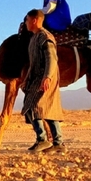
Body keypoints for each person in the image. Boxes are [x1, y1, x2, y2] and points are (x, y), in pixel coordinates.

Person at [21, 9, 65, 153]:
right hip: (36, 78)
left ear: (34, 20)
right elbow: (33, 63)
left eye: (27, 20)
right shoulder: (34, 38)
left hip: (45, 77)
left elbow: (51, 58)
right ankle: (58, 143)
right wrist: (26, 80)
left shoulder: (45, 37)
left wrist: (47, 77)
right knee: (47, 109)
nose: (26, 23)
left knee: (33, 106)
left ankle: (42, 140)